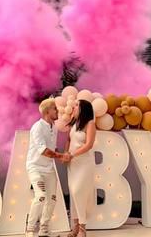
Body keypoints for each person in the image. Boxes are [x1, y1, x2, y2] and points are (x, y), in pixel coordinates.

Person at [26, 98, 71, 237]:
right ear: (47, 112)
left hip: (49, 168)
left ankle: (44, 229)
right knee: (40, 197)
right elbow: (44, 151)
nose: (58, 111)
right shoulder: (37, 127)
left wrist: (61, 153)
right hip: (35, 167)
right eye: (55, 109)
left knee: (52, 199)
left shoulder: (54, 127)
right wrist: (61, 156)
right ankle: (30, 229)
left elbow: (51, 147)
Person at [65, 100, 96, 237]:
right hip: (72, 164)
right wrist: (66, 154)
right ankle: (76, 227)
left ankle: (83, 228)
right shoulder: (74, 124)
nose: (73, 106)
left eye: (77, 105)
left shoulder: (90, 124)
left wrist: (72, 154)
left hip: (84, 163)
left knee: (79, 192)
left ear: (84, 109)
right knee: (73, 194)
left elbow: (89, 145)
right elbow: (68, 140)